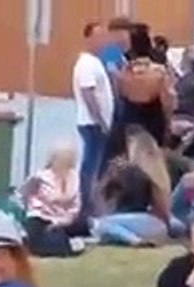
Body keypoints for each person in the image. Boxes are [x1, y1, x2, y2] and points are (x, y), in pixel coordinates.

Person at [93, 126, 178, 246]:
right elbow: (163, 208)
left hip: (138, 221)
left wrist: (111, 174)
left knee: (100, 224)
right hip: (158, 224)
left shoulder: (130, 172)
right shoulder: (159, 172)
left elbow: (101, 196)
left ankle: (135, 240)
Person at [105, 24, 176, 161]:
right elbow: (168, 101)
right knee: (153, 158)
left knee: (130, 157)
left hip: (129, 119)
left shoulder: (122, 74)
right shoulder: (159, 72)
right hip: (153, 119)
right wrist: (169, 121)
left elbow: (117, 93)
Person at [73, 21, 116, 215]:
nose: (102, 41)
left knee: (95, 164)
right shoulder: (86, 63)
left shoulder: (96, 62)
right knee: (90, 165)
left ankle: (92, 203)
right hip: (92, 123)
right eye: (98, 36)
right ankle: (86, 205)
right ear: (88, 38)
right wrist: (100, 120)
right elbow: (88, 93)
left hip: (97, 123)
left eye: (104, 36)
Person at [22, 143, 84, 257]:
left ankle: (66, 245)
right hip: (41, 218)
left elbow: (76, 204)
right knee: (40, 241)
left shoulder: (75, 177)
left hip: (63, 221)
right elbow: (24, 193)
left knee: (82, 226)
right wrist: (32, 208)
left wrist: (62, 221)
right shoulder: (40, 176)